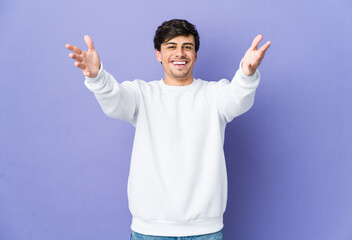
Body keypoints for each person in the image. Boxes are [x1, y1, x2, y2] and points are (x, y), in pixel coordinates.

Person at [65, 19, 270, 240]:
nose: (179, 53)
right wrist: (97, 77)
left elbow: (237, 99)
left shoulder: (215, 94)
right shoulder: (141, 94)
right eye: (171, 46)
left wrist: (246, 75)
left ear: (195, 55)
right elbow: (115, 102)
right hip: (149, 231)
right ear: (158, 54)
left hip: (205, 231)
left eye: (187, 47)